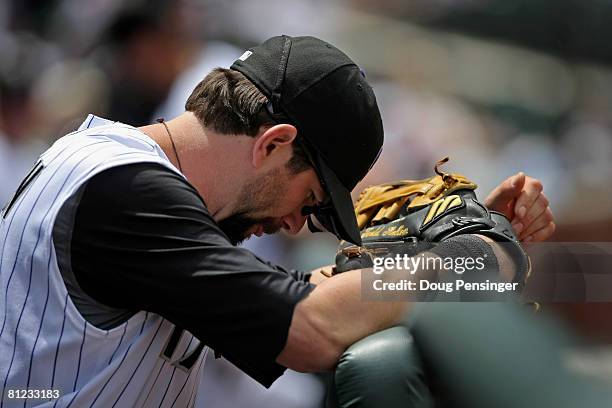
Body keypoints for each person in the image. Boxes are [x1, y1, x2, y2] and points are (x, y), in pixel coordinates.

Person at [0, 35, 553, 407]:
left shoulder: (137, 181)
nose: (294, 223)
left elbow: (300, 295)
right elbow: (311, 329)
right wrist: (479, 261)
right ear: (274, 143)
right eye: (310, 199)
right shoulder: (126, 190)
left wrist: (460, 249)